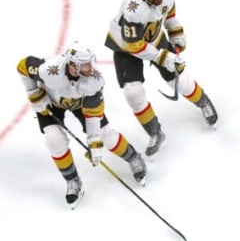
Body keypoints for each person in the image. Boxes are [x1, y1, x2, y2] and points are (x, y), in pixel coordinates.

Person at [17, 41, 148, 209]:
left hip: (81, 104)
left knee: (106, 135)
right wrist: (34, 93)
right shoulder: (49, 70)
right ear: (73, 64)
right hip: (51, 103)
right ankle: (72, 180)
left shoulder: (95, 80)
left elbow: (93, 114)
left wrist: (94, 143)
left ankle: (134, 157)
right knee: (54, 140)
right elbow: (23, 66)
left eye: (89, 63)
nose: (90, 67)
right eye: (85, 64)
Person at [104, 0, 218, 157]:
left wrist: (177, 34)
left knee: (178, 77)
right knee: (133, 92)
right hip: (126, 49)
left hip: (153, 38)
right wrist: (163, 57)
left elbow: (170, 17)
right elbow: (134, 46)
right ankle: (154, 131)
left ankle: (203, 101)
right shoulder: (133, 9)